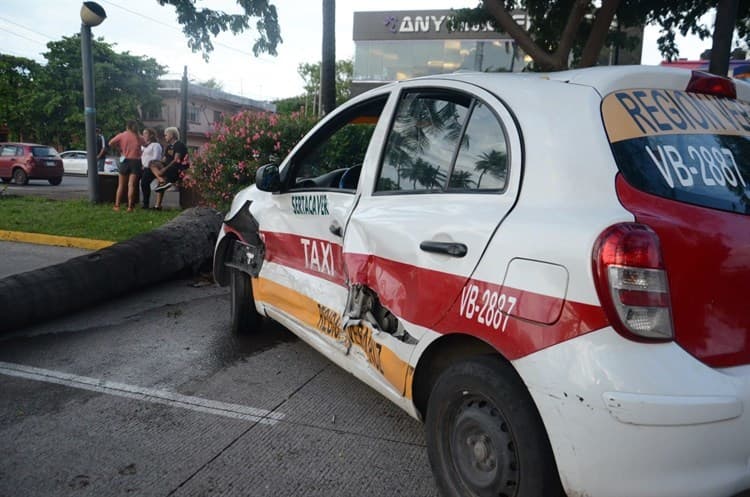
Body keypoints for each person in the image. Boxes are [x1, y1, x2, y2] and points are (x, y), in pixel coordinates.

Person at [108, 120, 144, 212]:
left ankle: (117, 205)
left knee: (121, 185)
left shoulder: (122, 135)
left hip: (124, 160)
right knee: (131, 185)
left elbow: (110, 143)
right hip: (136, 161)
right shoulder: (139, 136)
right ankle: (130, 207)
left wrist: (119, 148)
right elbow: (145, 145)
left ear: (127, 126)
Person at [150, 126, 188, 210]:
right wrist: (157, 164)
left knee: (162, 177)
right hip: (169, 167)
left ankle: (162, 181)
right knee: (152, 164)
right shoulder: (168, 146)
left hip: (177, 168)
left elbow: (176, 160)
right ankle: (162, 182)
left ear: (171, 135)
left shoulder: (179, 145)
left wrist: (164, 169)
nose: (165, 137)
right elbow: (164, 159)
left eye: (166, 135)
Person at [139, 127, 163, 209]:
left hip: (152, 167)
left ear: (151, 135)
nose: (144, 135)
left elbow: (156, 157)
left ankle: (145, 204)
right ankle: (144, 203)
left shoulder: (156, 145)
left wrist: (149, 163)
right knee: (143, 184)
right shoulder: (144, 146)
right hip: (144, 167)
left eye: (146, 133)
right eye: (143, 133)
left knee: (144, 183)